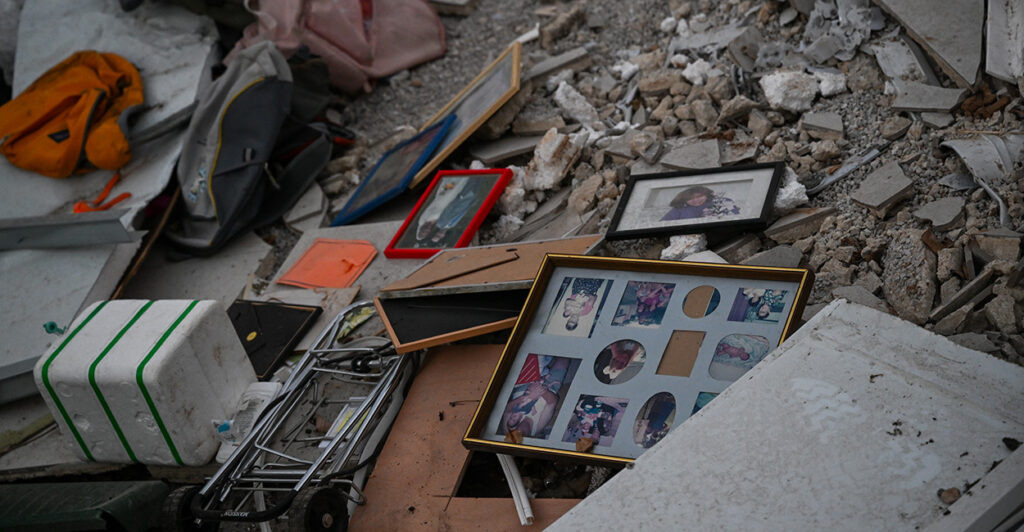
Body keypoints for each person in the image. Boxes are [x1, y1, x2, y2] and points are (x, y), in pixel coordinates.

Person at [660, 185, 740, 221]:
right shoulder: (678, 210)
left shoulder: (722, 201)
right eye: (690, 199)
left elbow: (735, 216)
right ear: (684, 200)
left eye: (699, 196)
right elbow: (662, 224)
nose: (696, 200)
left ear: (707, 194)